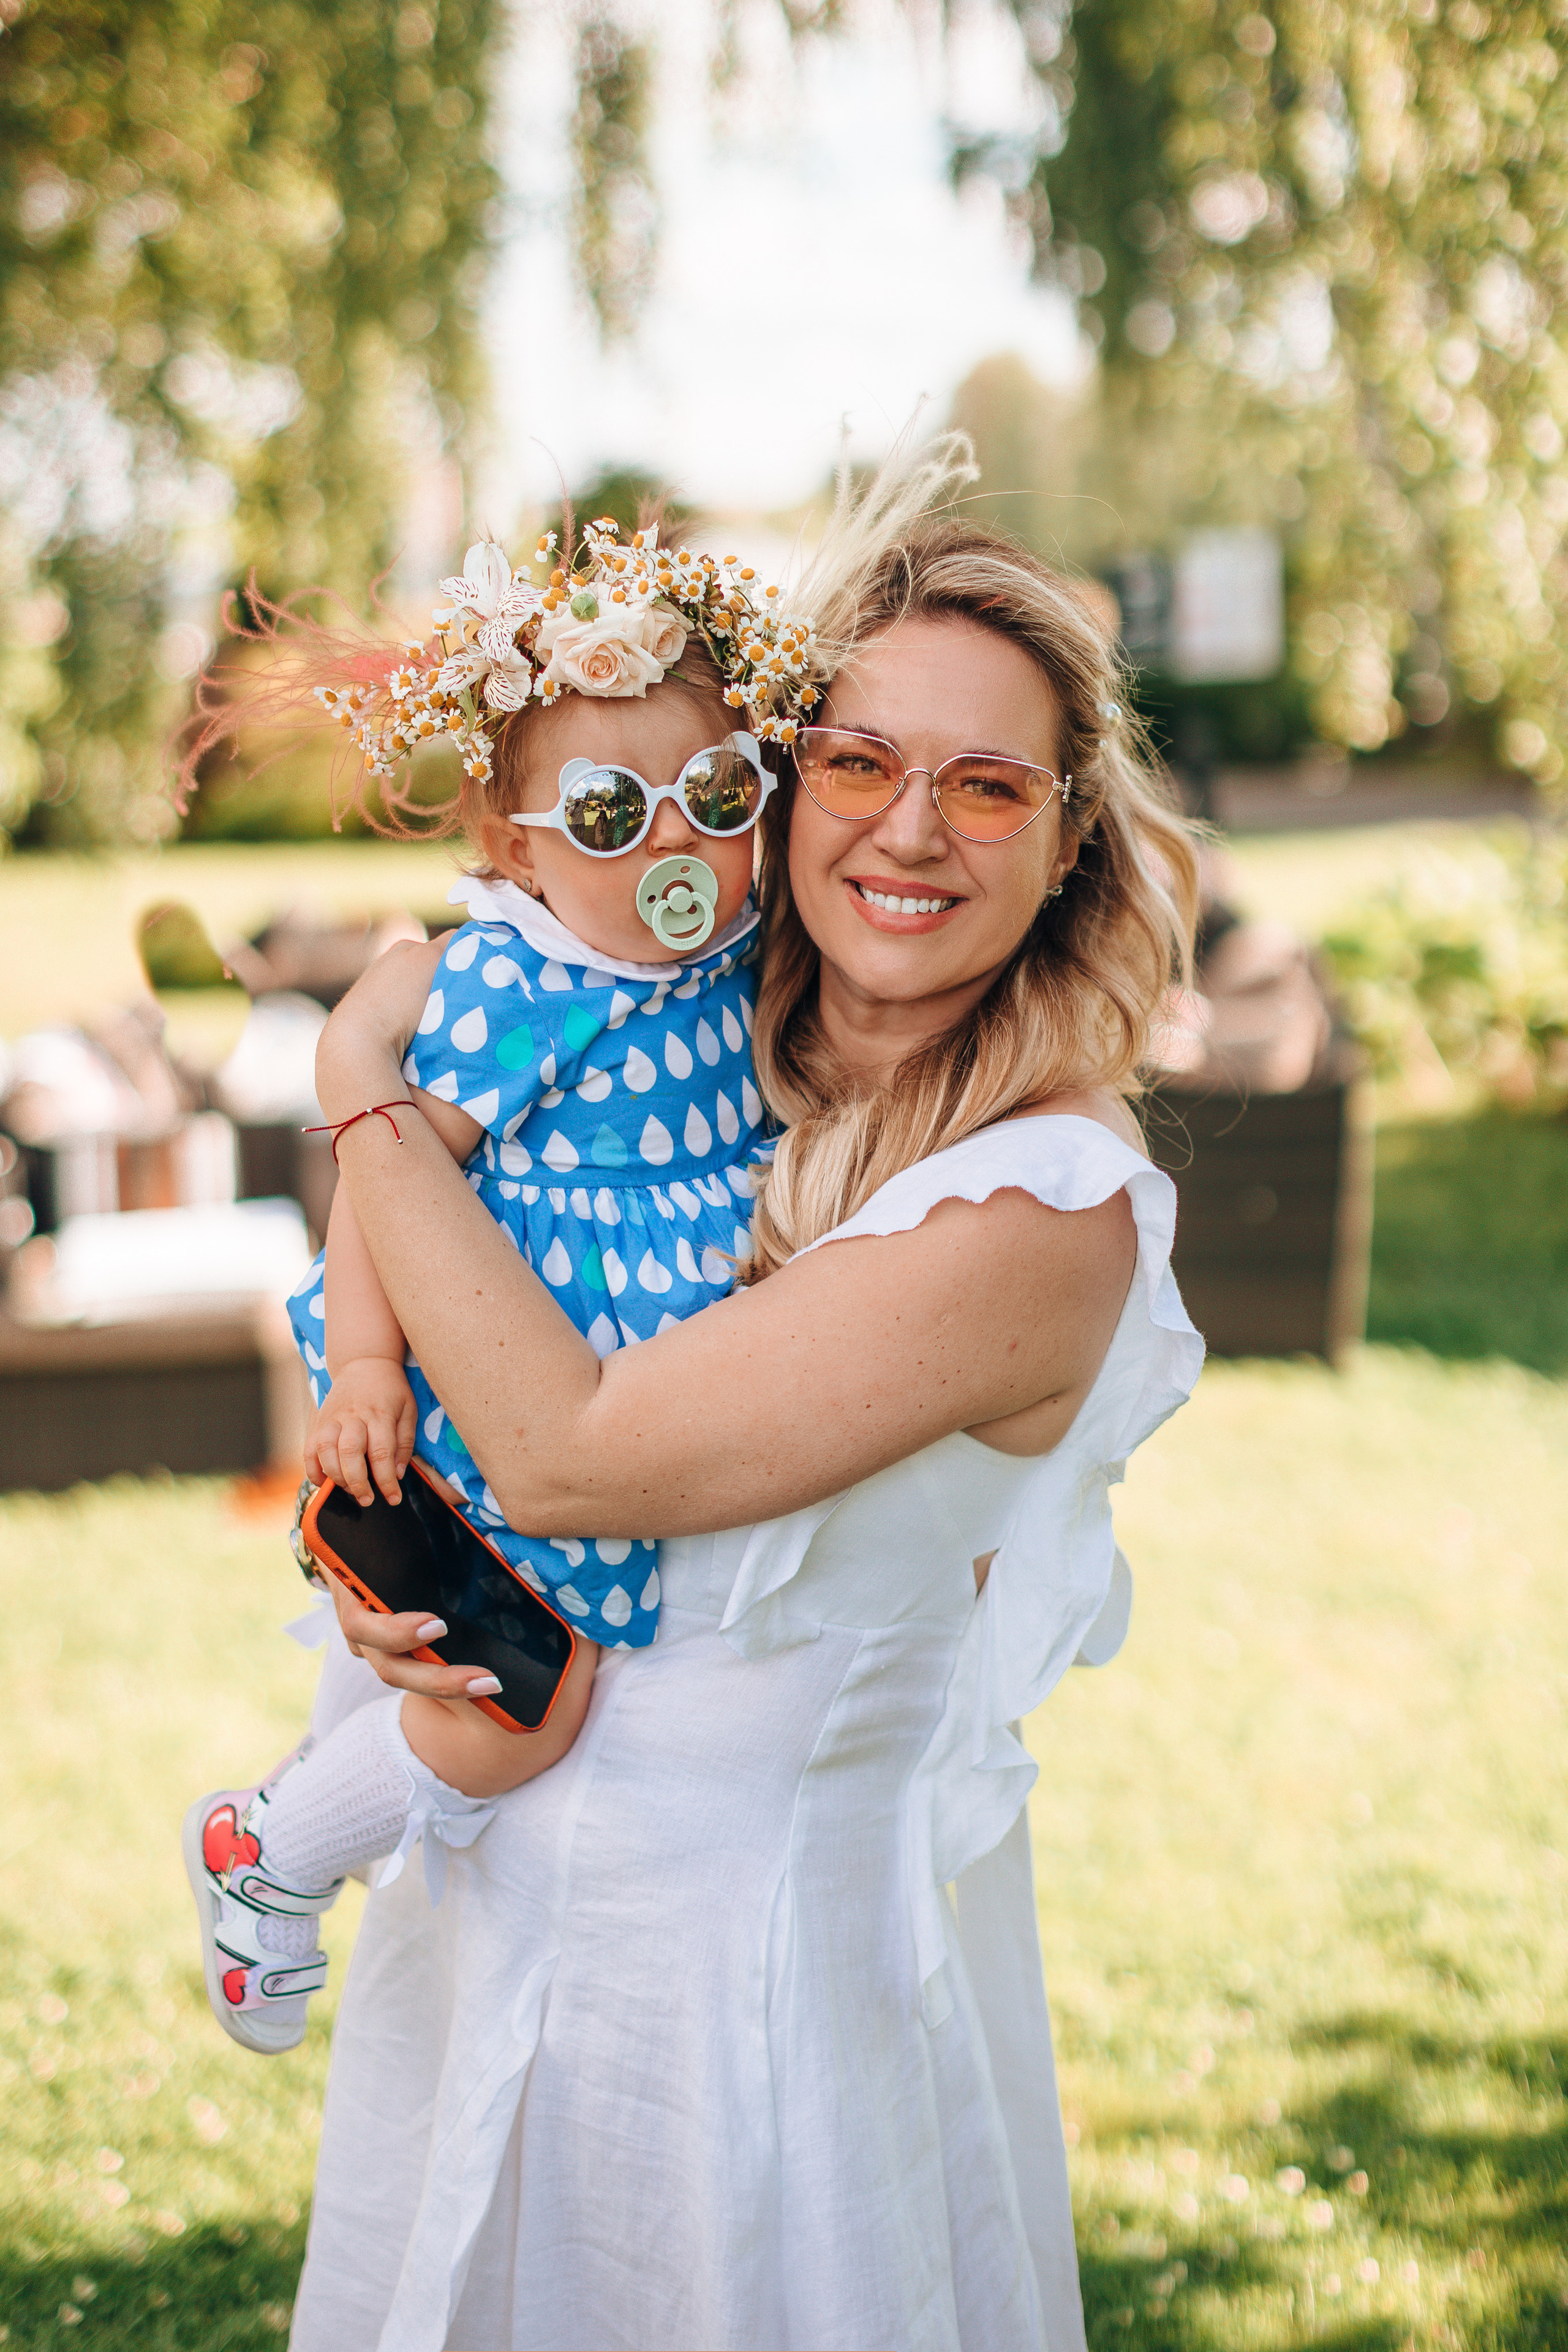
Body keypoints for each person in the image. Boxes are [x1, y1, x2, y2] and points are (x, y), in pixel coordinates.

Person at [291, 444, 1205, 2352]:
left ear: (1069, 846)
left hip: (754, 2007)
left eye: (989, 786)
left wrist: (364, 1080)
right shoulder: (706, 1072)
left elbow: (572, 1450)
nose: (911, 832)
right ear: (784, 802)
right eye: (858, 763)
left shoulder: (1044, 1200)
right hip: (508, 1918)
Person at [181, 519, 816, 2054]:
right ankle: (270, 1850)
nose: (673, 848)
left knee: (525, 1675)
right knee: (525, 1704)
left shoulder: (741, 956)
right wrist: (367, 1374)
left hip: (662, 1403)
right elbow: (385, 1178)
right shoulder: (516, 984)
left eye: (718, 797)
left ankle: (288, 1828)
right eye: (605, 815)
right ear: (514, 846)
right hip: (515, 1386)